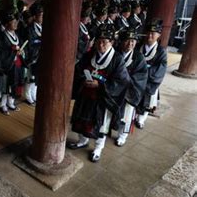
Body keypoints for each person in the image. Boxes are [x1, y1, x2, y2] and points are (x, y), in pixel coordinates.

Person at [67, 24, 130, 162]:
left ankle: (98, 148)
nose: (101, 44)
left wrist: (100, 84)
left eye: (105, 41)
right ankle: (82, 140)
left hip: (102, 98)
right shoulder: (90, 55)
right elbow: (78, 70)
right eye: (98, 41)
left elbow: (122, 81)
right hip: (86, 94)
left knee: (101, 124)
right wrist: (83, 79)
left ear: (112, 42)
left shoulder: (117, 59)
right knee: (82, 119)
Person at [115, 29, 148, 146]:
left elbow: (141, 77)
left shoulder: (139, 57)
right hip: (114, 91)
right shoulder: (115, 53)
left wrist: (124, 82)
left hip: (129, 92)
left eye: (133, 41)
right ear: (121, 41)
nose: (130, 44)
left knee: (128, 116)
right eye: (127, 41)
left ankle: (123, 136)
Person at [135, 19, 167, 129]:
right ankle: (133, 117)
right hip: (136, 80)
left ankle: (141, 120)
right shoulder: (138, 46)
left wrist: (143, 73)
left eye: (153, 34)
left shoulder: (161, 51)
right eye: (148, 33)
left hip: (149, 81)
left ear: (158, 35)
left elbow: (160, 68)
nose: (150, 36)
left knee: (147, 102)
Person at [0, 9, 26, 115]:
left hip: (17, 64)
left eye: (15, 22)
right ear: (7, 24)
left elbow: (21, 47)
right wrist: (13, 53)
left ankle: (11, 102)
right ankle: (3, 105)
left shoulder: (16, 35)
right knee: (6, 85)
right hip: (8, 65)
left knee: (14, 83)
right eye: (13, 22)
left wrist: (21, 51)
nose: (16, 23)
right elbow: (0, 53)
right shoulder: (2, 36)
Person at [24, 2, 43, 105]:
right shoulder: (30, 28)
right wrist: (40, 40)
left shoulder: (42, 27)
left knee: (37, 77)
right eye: (40, 15)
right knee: (30, 77)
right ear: (35, 16)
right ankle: (28, 95)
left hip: (40, 56)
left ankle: (34, 94)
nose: (42, 17)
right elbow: (30, 42)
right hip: (33, 55)